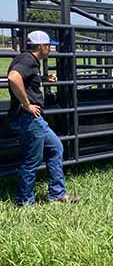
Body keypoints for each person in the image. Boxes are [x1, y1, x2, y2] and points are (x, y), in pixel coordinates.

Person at [7, 30, 80, 207]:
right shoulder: (28, 60)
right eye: (49, 46)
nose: (51, 50)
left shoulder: (26, 59)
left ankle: (57, 194)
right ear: (42, 46)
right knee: (32, 161)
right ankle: (24, 202)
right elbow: (13, 77)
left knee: (55, 148)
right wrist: (26, 104)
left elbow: (25, 78)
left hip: (35, 120)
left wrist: (43, 78)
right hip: (30, 118)